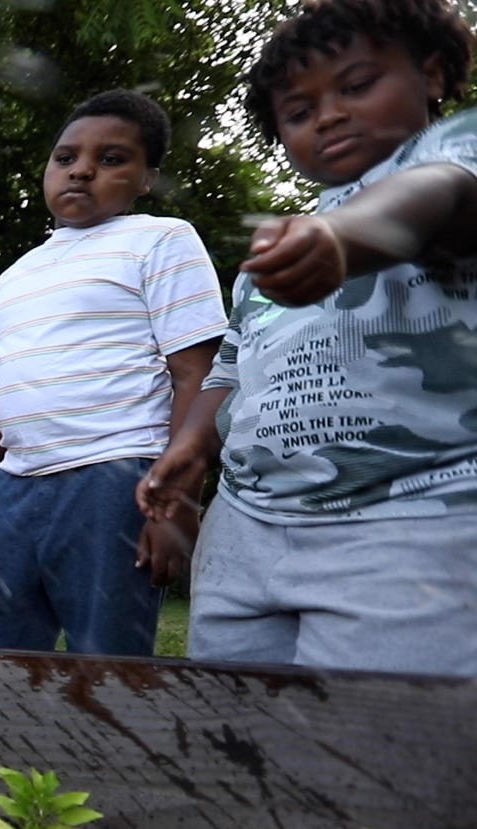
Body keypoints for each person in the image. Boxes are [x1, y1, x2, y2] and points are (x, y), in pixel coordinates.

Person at [140, 0, 477, 676]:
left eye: (356, 86)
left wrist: (344, 238)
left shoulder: (452, 156)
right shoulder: (280, 254)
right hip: (248, 529)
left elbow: (441, 197)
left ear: (433, 74)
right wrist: (192, 446)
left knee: (380, 746)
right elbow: (230, 370)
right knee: (238, 735)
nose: (327, 115)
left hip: (408, 519)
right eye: (298, 112)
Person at [0, 90, 227, 657]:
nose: (82, 170)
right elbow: (3, 393)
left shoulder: (161, 240)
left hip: (115, 480)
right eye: (66, 157)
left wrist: (174, 502)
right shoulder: (15, 276)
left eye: (112, 159)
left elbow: (196, 376)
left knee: (106, 660)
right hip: (15, 488)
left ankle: (107, 746)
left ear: (147, 178)